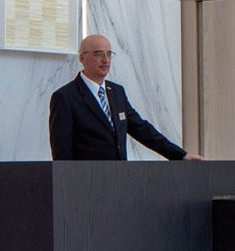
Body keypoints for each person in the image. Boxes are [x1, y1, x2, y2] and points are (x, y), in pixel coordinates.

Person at [49, 34, 203, 161]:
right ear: (82, 58)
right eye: (99, 53)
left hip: (119, 180)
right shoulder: (65, 97)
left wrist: (180, 155)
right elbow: (61, 150)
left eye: (109, 54)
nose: (106, 60)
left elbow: (141, 129)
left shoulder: (116, 92)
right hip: (87, 183)